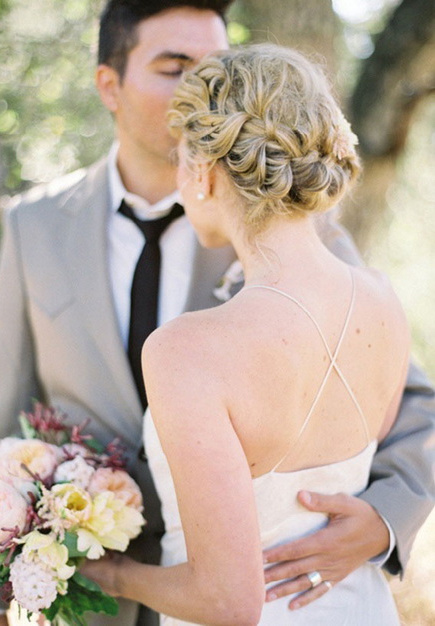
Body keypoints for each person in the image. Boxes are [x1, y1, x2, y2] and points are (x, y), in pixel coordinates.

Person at [0, 0, 433, 624]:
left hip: (217, 595)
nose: (199, 89)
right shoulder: (36, 225)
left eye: (213, 70)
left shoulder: (299, 256)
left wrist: (383, 523)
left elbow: (415, 407)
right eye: (175, 67)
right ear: (109, 84)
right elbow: (0, 421)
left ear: (207, 165)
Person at [82, 43, 411, 624]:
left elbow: (226, 601)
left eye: (181, 160)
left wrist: (109, 573)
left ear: (205, 173)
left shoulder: (187, 350)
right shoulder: (383, 301)